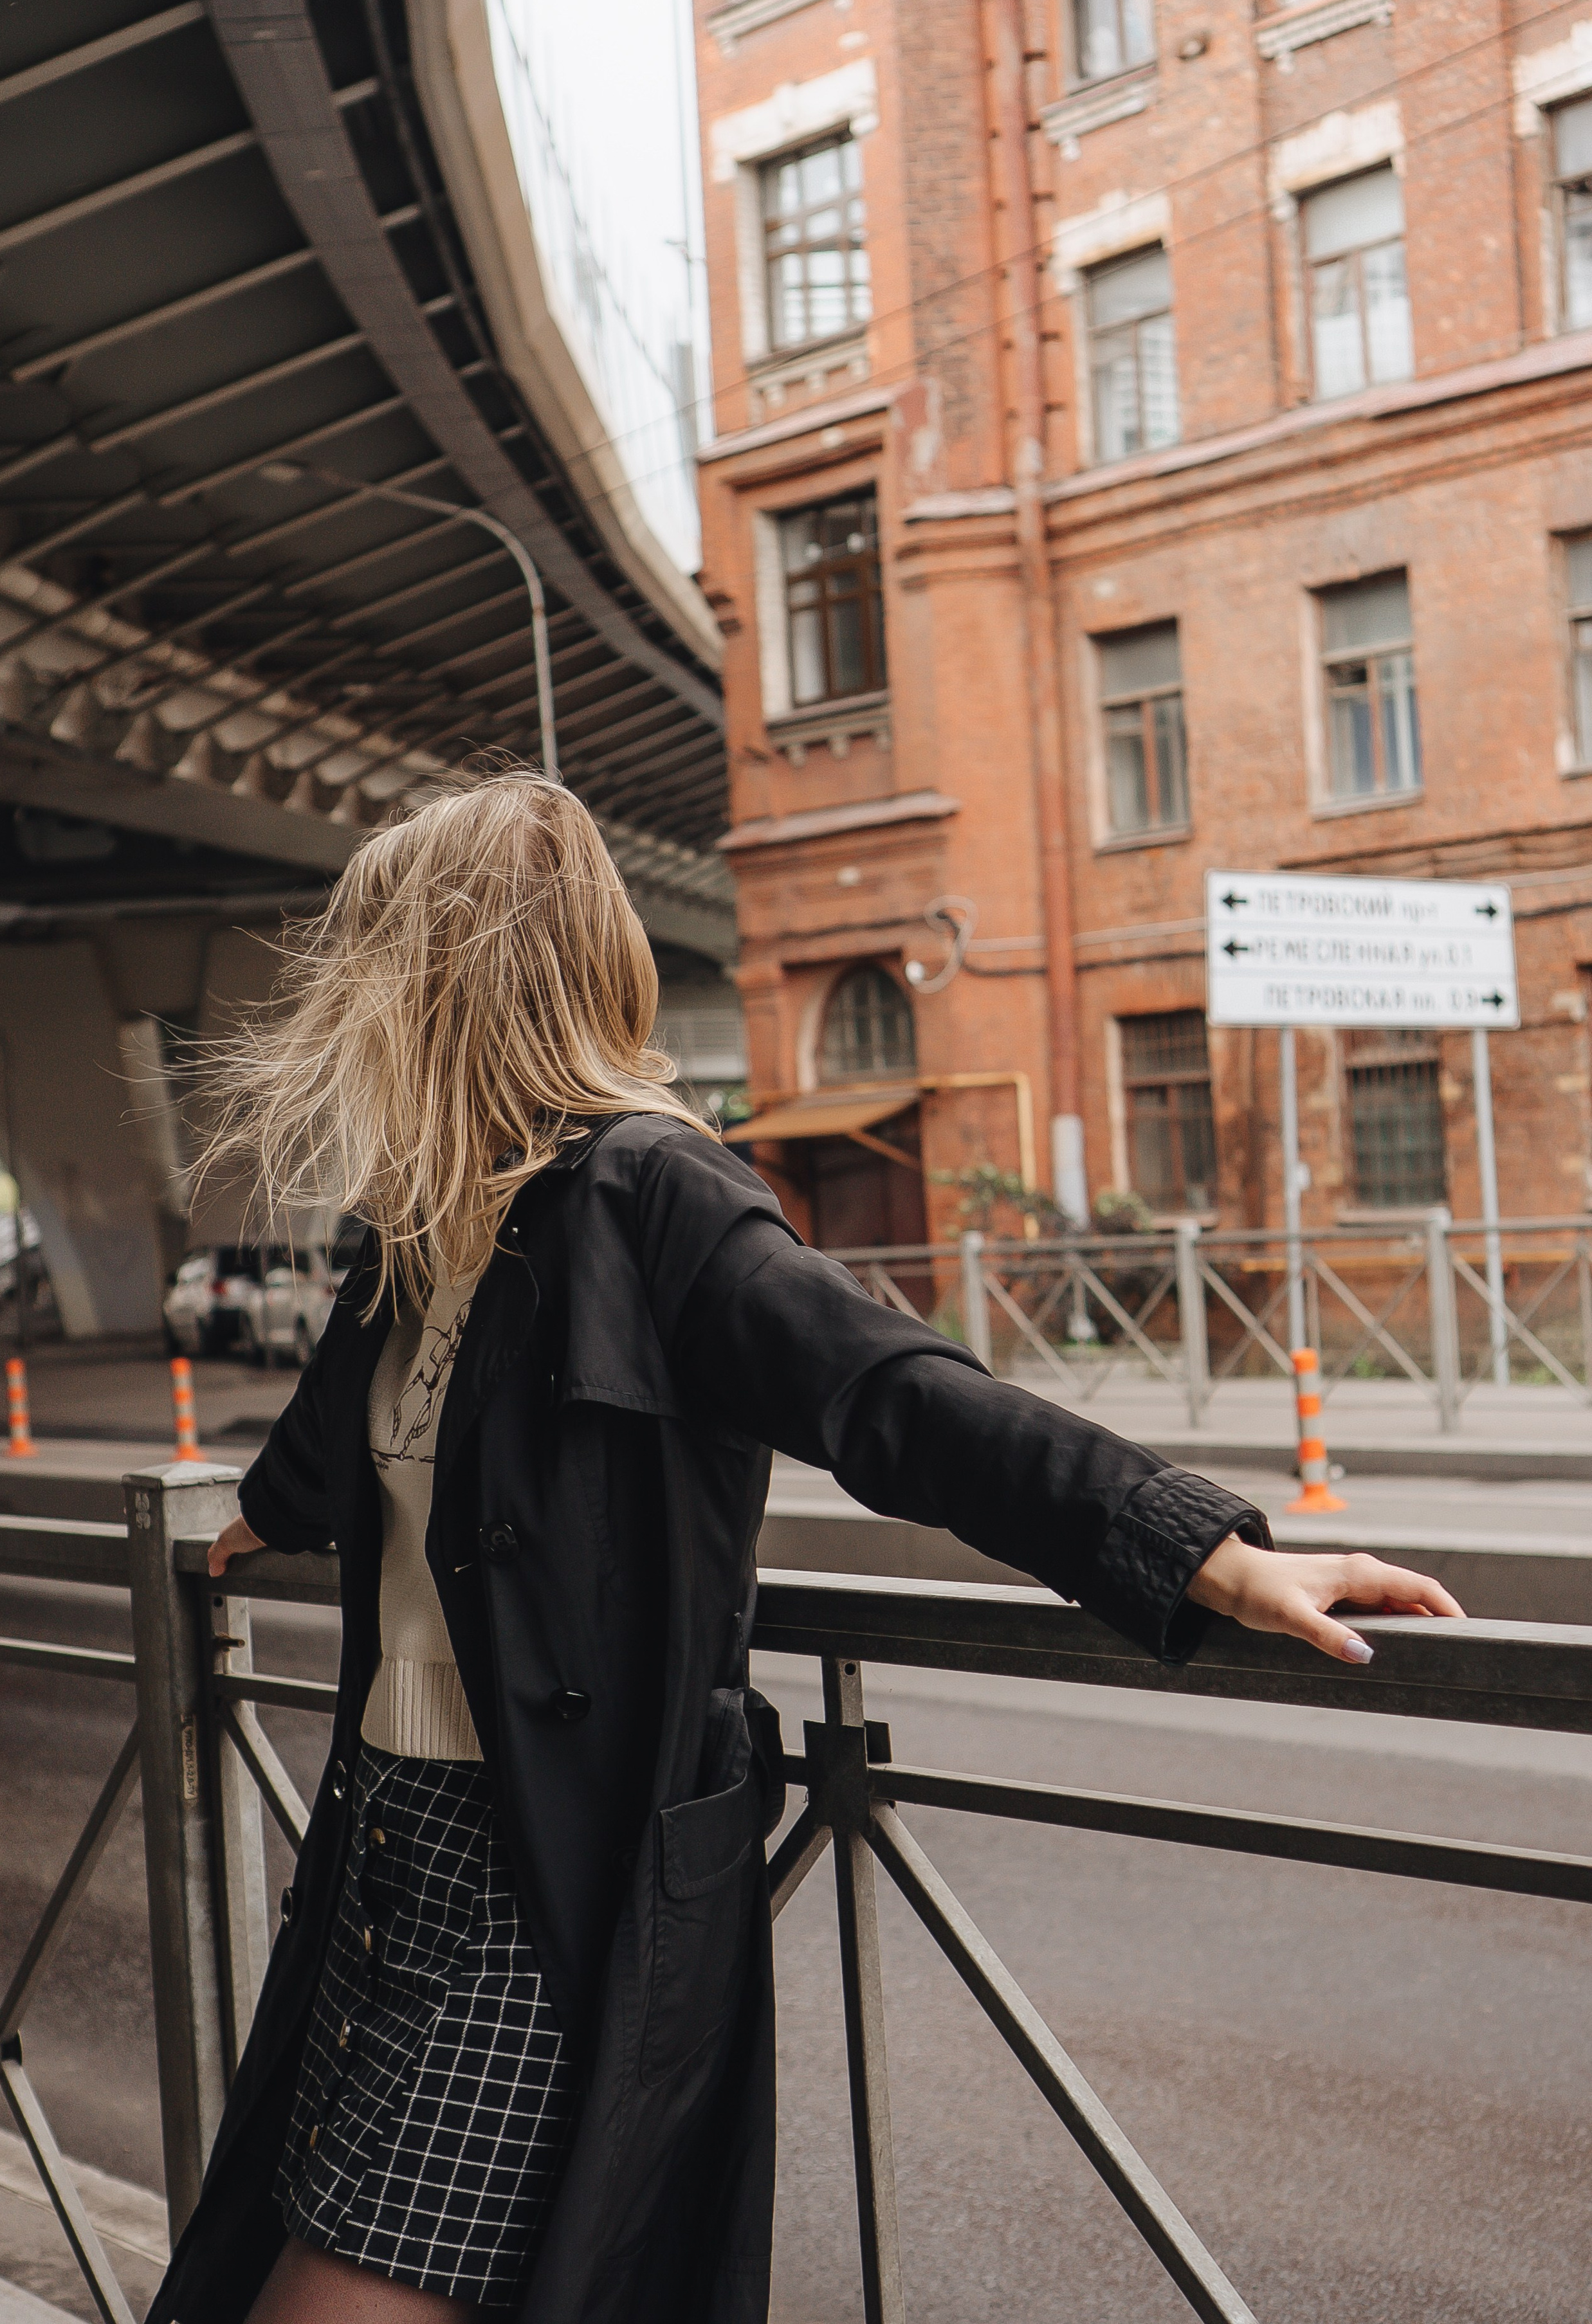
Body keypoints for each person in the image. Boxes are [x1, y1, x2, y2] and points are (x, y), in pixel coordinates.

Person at [154, 774, 1460, 2324]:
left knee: (345, 2298)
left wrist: (1201, 1553)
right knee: (323, 2258)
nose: (340, 1002)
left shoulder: (652, 1196)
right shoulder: (417, 1223)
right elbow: (342, 1435)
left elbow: (892, 1395)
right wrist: (259, 1515)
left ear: (442, 984)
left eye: (368, 962)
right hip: (384, 1840)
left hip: (554, 1865)